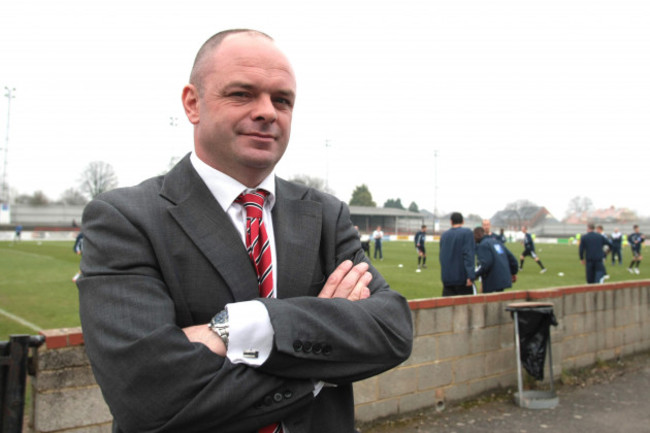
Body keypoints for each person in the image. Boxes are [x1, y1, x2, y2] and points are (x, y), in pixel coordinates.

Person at [77, 29, 413, 433]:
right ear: (192, 103)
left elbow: (391, 330)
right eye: (242, 94)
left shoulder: (325, 215)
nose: (267, 111)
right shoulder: (125, 218)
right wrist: (321, 363)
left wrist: (240, 327)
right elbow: (149, 394)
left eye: (282, 100)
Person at [439, 212, 476, 296]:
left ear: (451, 222)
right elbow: (469, 254)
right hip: (462, 279)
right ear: (463, 221)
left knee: (448, 307)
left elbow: (442, 256)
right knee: (464, 307)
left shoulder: (444, 235)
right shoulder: (467, 233)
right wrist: (470, 275)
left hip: (447, 278)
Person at [473, 227, 518, 293]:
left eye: (474, 236)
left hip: (492, 281)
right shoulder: (497, 242)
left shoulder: (483, 245)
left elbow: (485, 263)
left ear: (478, 235)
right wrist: (513, 272)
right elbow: (512, 259)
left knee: (490, 301)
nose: (474, 239)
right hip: (502, 279)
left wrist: (475, 275)